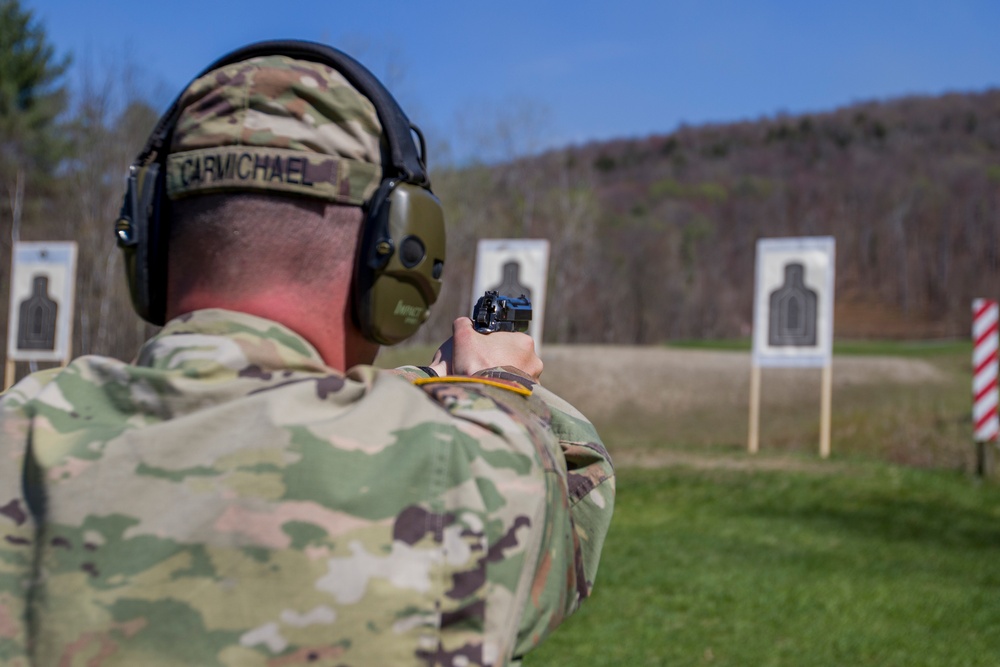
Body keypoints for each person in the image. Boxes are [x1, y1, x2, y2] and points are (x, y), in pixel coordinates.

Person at [0, 41, 614, 667]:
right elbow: (573, 491)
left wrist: (416, 389)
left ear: (147, 238)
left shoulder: (18, 435)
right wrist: (496, 386)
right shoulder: (468, 473)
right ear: (401, 256)